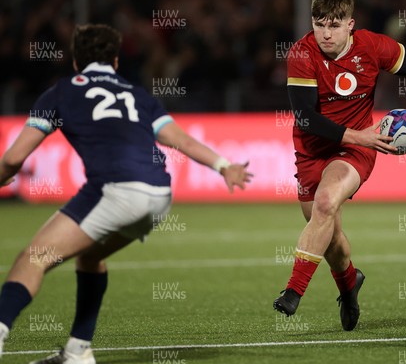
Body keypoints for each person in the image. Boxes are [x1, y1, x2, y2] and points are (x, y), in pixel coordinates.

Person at [0, 24, 252, 363]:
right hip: (159, 195)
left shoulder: (60, 92)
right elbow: (182, 140)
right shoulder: (138, 95)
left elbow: (14, 158)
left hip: (116, 190)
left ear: (76, 61)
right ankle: (78, 351)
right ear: (115, 61)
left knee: (34, 258)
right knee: (90, 257)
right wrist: (224, 166)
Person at [273, 0, 406, 331]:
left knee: (326, 203)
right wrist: (360, 135)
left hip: (356, 149)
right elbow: (304, 117)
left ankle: (293, 292)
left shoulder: (373, 47)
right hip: (312, 151)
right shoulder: (301, 53)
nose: (325, 33)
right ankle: (349, 283)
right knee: (332, 241)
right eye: (319, 24)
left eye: (334, 25)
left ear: (350, 24)